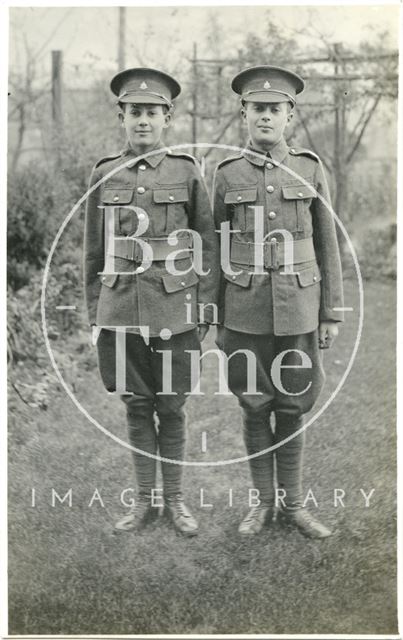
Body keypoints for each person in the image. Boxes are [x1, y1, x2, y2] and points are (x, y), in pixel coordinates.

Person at [84, 67, 219, 536]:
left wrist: (204, 304)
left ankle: (177, 502)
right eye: (134, 112)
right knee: (136, 406)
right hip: (119, 308)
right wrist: (92, 313)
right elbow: (93, 250)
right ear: (121, 117)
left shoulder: (186, 170)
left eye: (152, 113)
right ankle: (145, 501)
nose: (143, 121)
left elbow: (206, 241)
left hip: (174, 307)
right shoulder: (105, 174)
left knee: (172, 406)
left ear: (168, 118)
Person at [213, 66, 344, 538]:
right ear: (243, 113)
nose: (265, 117)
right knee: (253, 404)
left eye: (275, 109)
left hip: (299, 309)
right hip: (244, 310)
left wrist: (330, 311)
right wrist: (214, 315)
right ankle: (262, 505)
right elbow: (213, 248)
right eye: (257, 109)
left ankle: (291, 505)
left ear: (290, 114)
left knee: (291, 405)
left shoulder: (309, 168)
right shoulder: (225, 173)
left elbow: (328, 244)